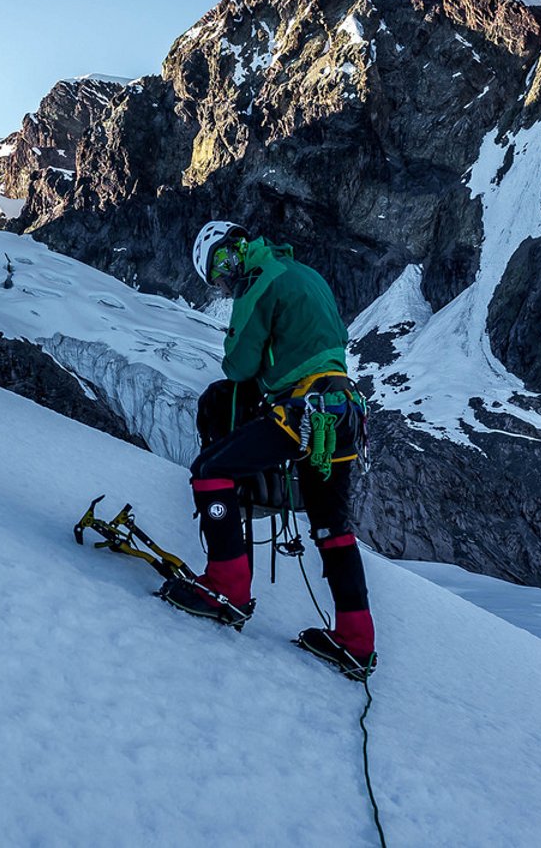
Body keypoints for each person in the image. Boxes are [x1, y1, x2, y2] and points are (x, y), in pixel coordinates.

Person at [158, 221, 377, 679]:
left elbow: (238, 366)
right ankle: (356, 642)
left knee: (210, 473)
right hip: (342, 414)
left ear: (235, 247)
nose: (224, 279)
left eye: (220, 267)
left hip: (300, 414)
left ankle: (227, 588)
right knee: (332, 527)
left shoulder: (260, 283)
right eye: (217, 278)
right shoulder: (308, 275)